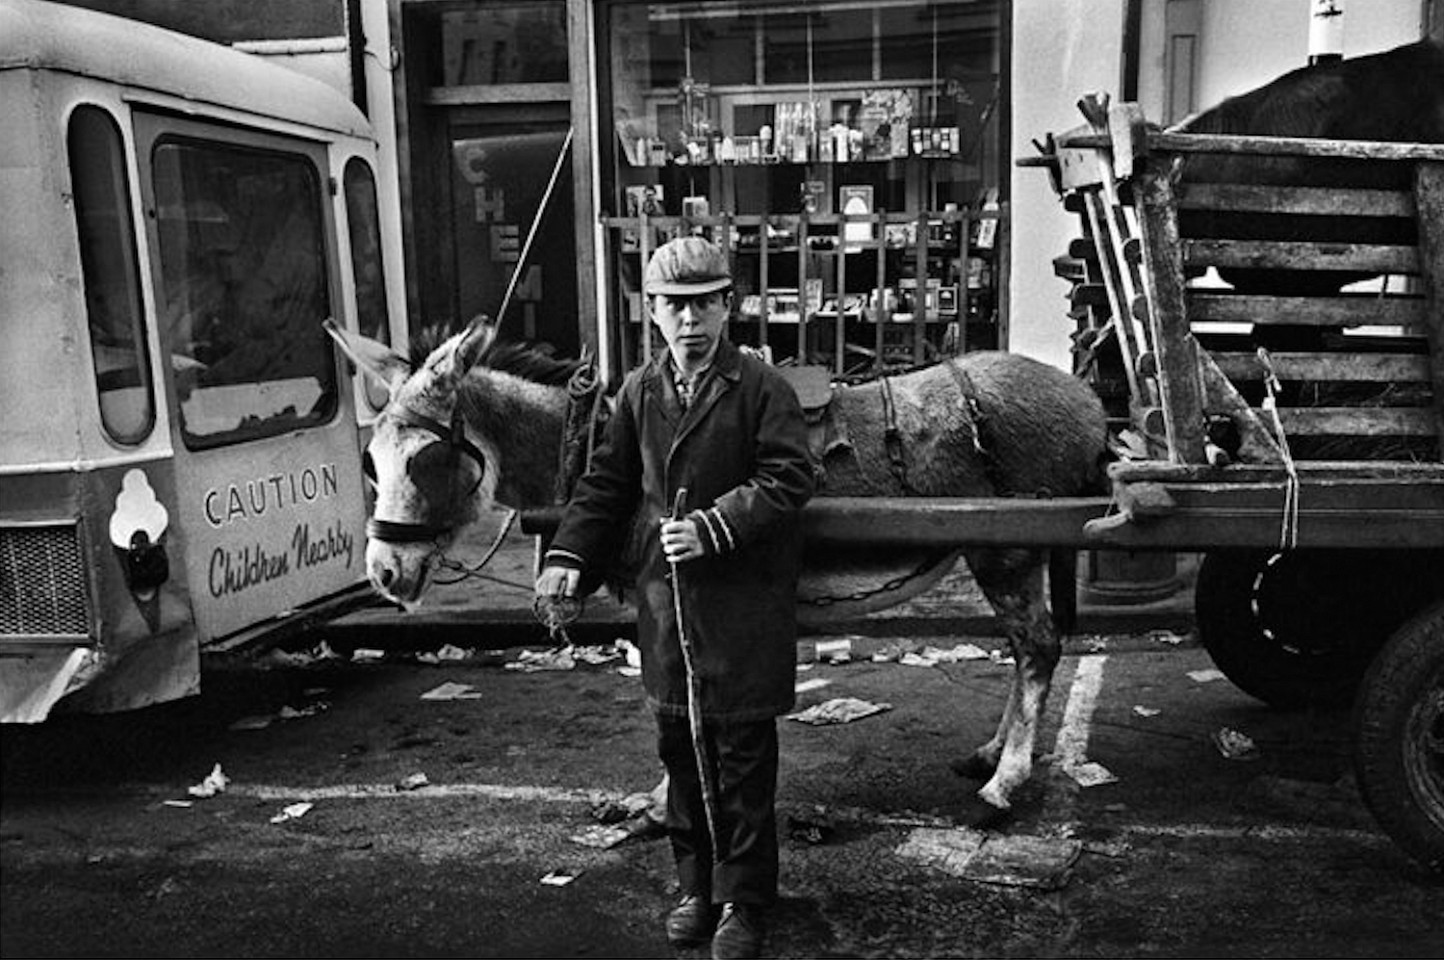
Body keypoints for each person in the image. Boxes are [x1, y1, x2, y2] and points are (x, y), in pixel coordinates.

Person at [535, 236, 815, 959]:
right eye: (674, 306)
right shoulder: (637, 391)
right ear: (652, 312)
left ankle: (746, 904)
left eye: (704, 304)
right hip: (666, 611)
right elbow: (606, 485)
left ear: (729, 307)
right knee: (682, 754)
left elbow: (788, 478)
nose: (690, 321)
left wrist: (715, 527)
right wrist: (568, 556)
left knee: (744, 760)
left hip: (742, 603)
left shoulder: (760, 388)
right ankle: (697, 887)